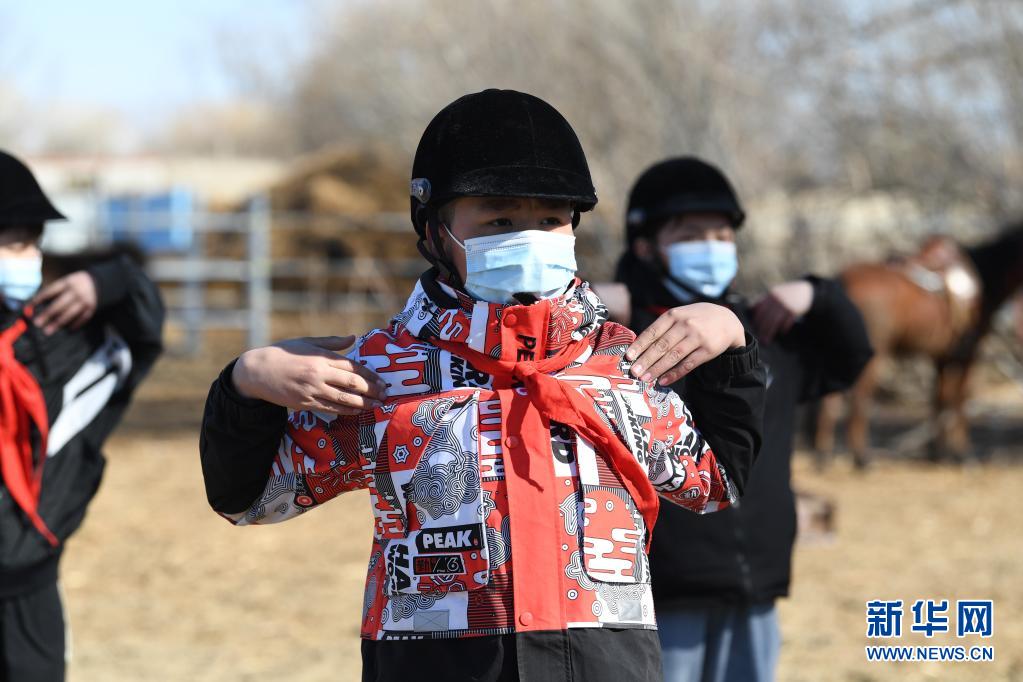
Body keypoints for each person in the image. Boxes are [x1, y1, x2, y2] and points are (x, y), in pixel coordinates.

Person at [199, 90, 766, 682]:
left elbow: (714, 485)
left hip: (601, 665)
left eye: (550, 219)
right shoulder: (380, 374)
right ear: (435, 228)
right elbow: (250, 501)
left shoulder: (621, 363)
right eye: (499, 220)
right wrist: (245, 386)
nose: (529, 236)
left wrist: (733, 344)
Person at [600, 157, 873, 682]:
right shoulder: (619, 337)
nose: (712, 247)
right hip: (656, 592)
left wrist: (819, 293)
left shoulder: (761, 333)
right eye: (690, 235)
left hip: (755, 584)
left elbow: (852, 356)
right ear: (645, 246)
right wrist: (594, 299)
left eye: (723, 235)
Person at [0, 150, 165, 681]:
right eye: (10, 242)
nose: (25, 257)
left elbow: (143, 331)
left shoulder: (50, 338)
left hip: (30, 585)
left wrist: (113, 280)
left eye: (31, 242)